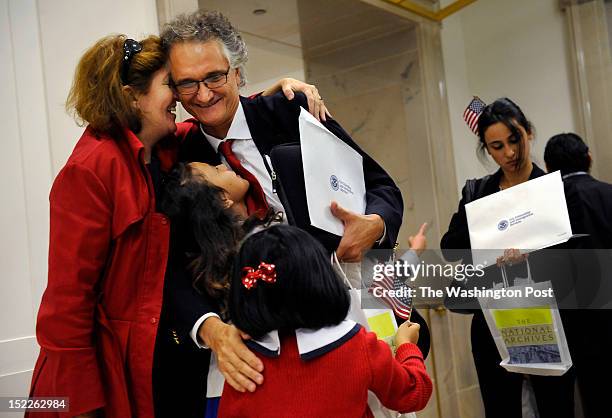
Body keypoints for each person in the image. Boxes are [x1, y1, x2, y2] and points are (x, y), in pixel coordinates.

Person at [27, 32, 332, 418]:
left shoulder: (164, 149)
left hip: (159, 359)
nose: (181, 97)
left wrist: (274, 94)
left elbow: (223, 118)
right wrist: (80, 406)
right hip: (98, 378)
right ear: (130, 96)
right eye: (170, 85)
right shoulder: (90, 170)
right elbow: (66, 305)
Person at [158, 10, 430, 398]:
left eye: (214, 77)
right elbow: (176, 266)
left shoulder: (290, 113)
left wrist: (375, 223)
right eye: (187, 83)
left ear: (237, 72)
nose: (203, 95)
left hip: (351, 317)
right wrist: (210, 329)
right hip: (266, 356)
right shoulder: (182, 162)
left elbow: (381, 186)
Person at [440, 98, 576, 418]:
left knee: (555, 405)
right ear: (487, 150)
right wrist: (489, 240)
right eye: (497, 146)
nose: (509, 153)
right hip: (494, 318)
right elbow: (450, 247)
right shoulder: (478, 193)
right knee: (500, 407)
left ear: (528, 133)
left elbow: (574, 260)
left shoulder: (552, 189)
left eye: (514, 140)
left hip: (547, 315)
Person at [218, 224, 432, 418]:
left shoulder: (242, 363)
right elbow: (413, 393)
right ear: (319, 276)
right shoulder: (355, 344)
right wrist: (406, 347)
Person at [544, 132, 612, 418]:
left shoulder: (545, 208)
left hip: (567, 323)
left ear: (549, 169)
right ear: (589, 157)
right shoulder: (609, 194)